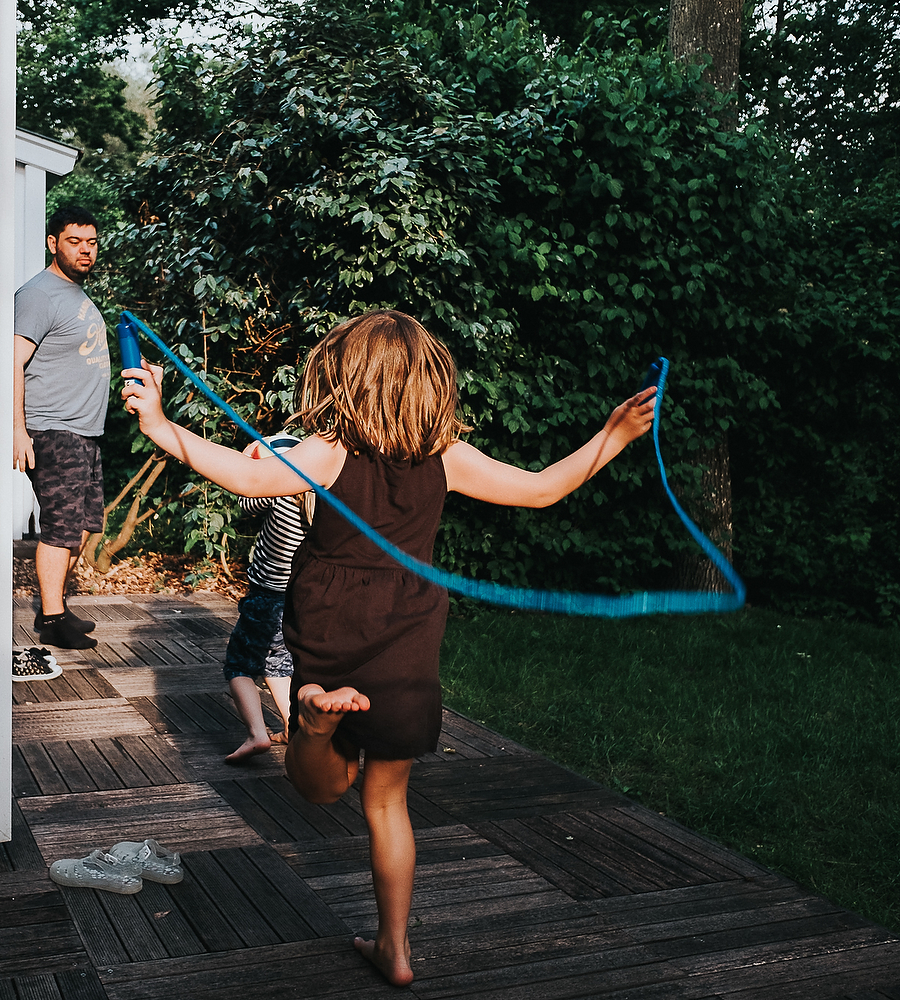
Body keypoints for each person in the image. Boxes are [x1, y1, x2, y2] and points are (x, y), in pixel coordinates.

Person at [122, 309, 656, 987]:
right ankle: (396, 950)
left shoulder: (330, 450)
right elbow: (544, 488)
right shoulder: (448, 458)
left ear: (343, 379)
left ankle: (314, 716)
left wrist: (159, 424)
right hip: (408, 639)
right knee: (386, 803)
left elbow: (244, 478)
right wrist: (615, 434)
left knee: (318, 788)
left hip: (331, 623)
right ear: (429, 382)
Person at [13, 206, 110, 651]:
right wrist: (19, 430)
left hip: (85, 430)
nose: (85, 250)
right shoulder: (38, 295)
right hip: (54, 429)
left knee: (86, 524)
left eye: (91, 241)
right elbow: (13, 363)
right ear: (53, 243)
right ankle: (52, 619)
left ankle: (59, 606)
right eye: (75, 241)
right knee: (60, 528)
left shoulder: (74, 293)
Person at [222, 434, 315, 764]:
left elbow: (245, 498)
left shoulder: (276, 494)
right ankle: (292, 727)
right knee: (278, 665)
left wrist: (254, 460)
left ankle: (256, 734)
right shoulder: (315, 501)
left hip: (266, 597)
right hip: (298, 600)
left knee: (239, 666)